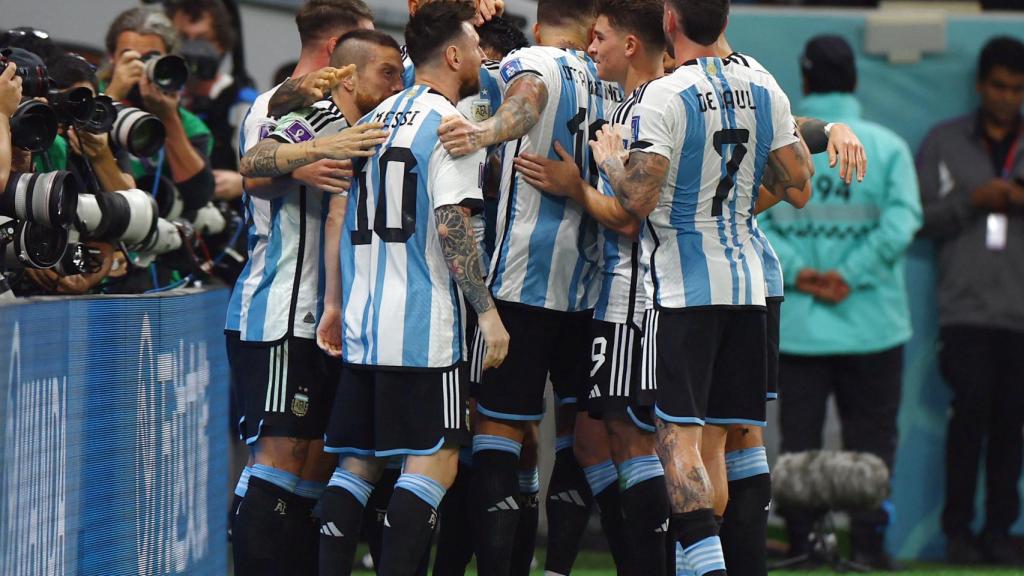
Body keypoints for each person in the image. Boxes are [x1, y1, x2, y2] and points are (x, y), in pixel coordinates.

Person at [602, 0, 812, 573]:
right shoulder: (763, 84)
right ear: (725, 22)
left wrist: (611, 161)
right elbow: (798, 180)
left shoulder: (664, 95)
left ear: (669, 22)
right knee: (720, 443)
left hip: (684, 289)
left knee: (678, 442)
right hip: (748, 288)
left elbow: (636, 199)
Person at [312, 3, 509, 574]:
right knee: (435, 464)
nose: (481, 57)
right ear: (453, 55)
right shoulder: (451, 125)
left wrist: (334, 303)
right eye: (475, 47)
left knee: (357, 466)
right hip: (424, 328)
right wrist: (488, 314)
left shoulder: (372, 118)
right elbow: (451, 225)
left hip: (365, 323)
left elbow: (338, 213)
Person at [436, 1, 626, 574]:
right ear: (593, 25)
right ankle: (560, 569)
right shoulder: (616, 79)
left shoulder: (535, 60)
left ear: (540, 24)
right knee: (579, 441)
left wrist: (484, 131)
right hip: (590, 290)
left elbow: (524, 101)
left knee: (496, 435)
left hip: (519, 284)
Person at [511, 1, 670, 574]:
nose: (590, 47)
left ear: (629, 43)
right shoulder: (654, 98)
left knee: (639, 444)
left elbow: (629, 217)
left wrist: (577, 186)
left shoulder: (651, 105)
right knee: (595, 442)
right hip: (638, 293)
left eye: (599, 37)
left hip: (637, 295)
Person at [758, 34, 921, 570]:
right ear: (854, 81)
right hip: (873, 323)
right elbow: (903, 222)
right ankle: (870, 545)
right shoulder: (888, 147)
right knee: (873, 441)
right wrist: (849, 274)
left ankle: (803, 542)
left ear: (805, 80)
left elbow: (754, 215)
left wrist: (803, 274)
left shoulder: (784, 148)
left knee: (799, 442)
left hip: (802, 325)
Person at [224, 1, 377, 574]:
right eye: (363, 44)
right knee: (281, 455)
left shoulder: (347, 110)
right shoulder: (276, 105)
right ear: (338, 49)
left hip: (328, 314)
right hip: (279, 307)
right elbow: (255, 173)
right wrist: (300, 163)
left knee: (314, 462)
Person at [916, 35, 1024, 567]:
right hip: (964, 313)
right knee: (969, 420)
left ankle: (1001, 531)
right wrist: (972, 201)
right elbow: (916, 218)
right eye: (1000, 87)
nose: (1008, 97)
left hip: (1020, 316)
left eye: (1018, 89)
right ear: (981, 85)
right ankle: (957, 532)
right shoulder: (944, 141)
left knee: (1011, 427)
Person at [167, 0, 256, 202]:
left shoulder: (243, 102)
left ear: (221, 44)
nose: (190, 48)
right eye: (182, 38)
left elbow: (264, 169)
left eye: (201, 39)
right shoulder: (159, 96)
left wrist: (241, 183)